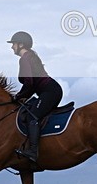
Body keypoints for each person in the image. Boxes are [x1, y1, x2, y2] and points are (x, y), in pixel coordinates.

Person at [8, 31, 63, 162]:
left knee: (32, 117)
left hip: (50, 92)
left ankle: (33, 151)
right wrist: (21, 96)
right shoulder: (30, 56)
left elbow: (29, 82)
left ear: (21, 45)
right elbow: (31, 85)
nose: (12, 47)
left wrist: (18, 96)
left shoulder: (25, 58)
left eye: (13, 44)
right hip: (49, 91)